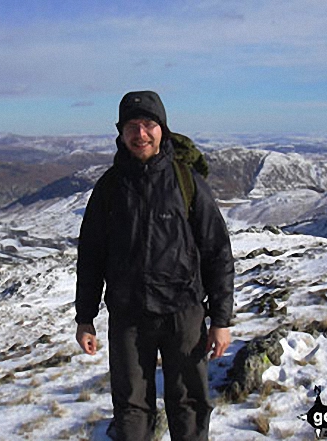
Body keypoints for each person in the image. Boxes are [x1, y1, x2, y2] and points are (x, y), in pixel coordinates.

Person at [75, 90, 234, 441]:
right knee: (131, 408)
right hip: (128, 316)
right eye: (132, 126)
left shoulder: (187, 182)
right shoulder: (109, 188)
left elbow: (217, 252)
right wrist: (84, 318)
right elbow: (90, 257)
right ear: (120, 132)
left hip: (184, 313)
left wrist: (221, 320)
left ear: (162, 128)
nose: (140, 133)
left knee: (189, 404)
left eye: (148, 124)